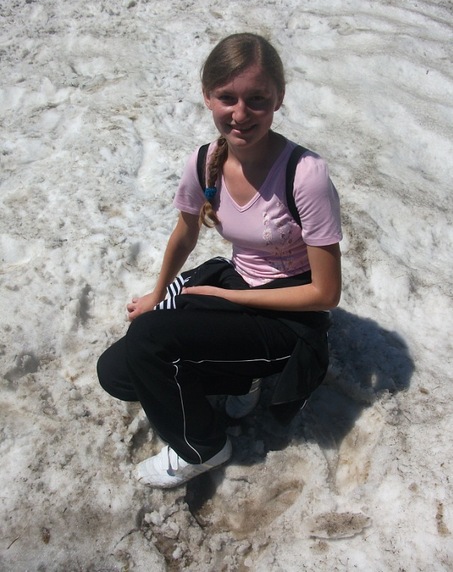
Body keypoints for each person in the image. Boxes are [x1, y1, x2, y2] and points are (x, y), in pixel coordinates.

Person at [97, 32, 342, 489]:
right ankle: (238, 375)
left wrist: (228, 298)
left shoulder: (304, 175)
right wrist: (157, 293)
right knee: (117, 372)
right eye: (227, 97)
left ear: (278, 99)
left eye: (257, 99)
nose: (241, 114)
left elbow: (326, 293)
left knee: (151, 343)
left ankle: (202, 446)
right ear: (207, 96)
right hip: (233, 284)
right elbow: (185, 233)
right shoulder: (204, 162)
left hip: (290, 319)